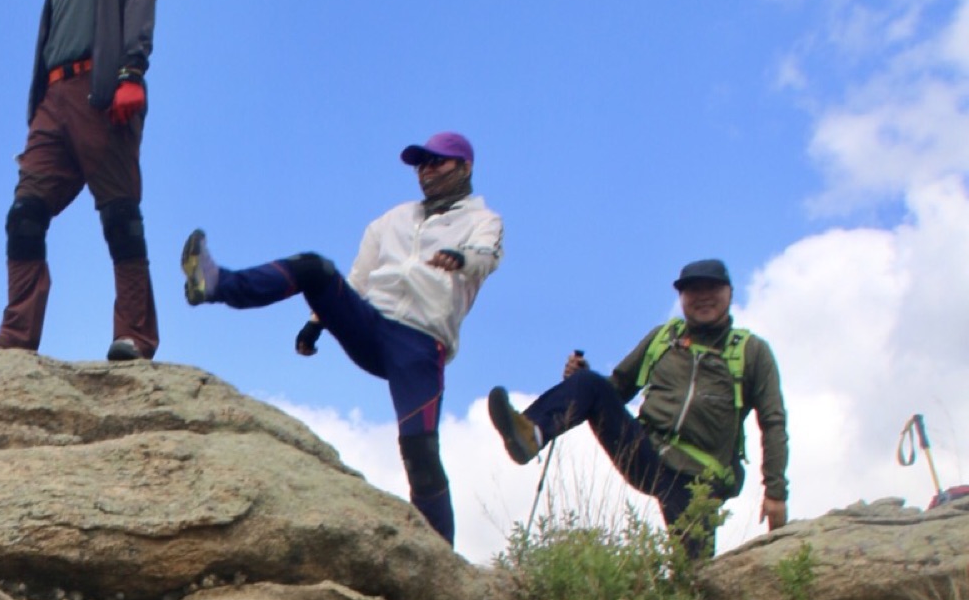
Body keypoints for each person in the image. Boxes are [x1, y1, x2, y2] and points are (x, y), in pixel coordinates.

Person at [180, 134, 502, 544]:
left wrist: (460, 258)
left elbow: (485, 256)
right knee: (315, 268)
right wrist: (317, 322)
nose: (426, 170)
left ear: (466, 168)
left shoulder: (482, 221)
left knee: (419, 450)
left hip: (420, 344)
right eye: (421, 163)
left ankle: (441, 554)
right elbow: (358, 280)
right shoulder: (392, 220)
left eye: (438, 163)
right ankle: (215, 282)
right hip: (370, 324)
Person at [485, 259, 789, 553]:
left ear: (730, 293)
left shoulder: (752, 352)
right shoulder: (663, 339)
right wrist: (582, 379)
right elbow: (617, 388)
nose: (703, 297)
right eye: (693, 290)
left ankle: (686, 597)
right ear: (682, 297)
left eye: (713, 288)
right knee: (591, 383)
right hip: (646, 452)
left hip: (699, 478)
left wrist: (775, 492)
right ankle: (530, 433)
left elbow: (773, 421)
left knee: (693, 574)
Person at [0, 0, 160, 362]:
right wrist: (40, 102)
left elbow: (140, 4)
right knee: (24, 214)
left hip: (103, 90)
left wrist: (132, 73)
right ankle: (18, 334)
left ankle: (135, 335)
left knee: (120, 216)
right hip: (53, 101)